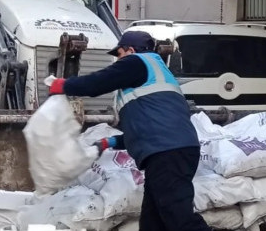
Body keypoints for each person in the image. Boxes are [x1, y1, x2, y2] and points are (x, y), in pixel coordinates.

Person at [48, 30, 212, 231]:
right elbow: (152, 125)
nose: (117, 60)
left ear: (131, 50)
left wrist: (63, 85)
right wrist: (113, 142)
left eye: (119, 54)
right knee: (153, 222)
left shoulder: (137, 62)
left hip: (167, 153)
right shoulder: (155, 75)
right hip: (171, 150)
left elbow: (96, 83)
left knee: (179, 217)